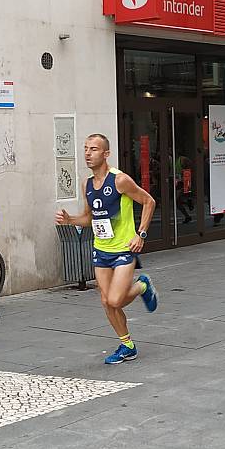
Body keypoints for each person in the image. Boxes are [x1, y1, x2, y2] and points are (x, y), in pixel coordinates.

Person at [55, 133, 158, 364]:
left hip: (123, 248)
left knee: (115, 300)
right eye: (85, 149)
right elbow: (90, 218)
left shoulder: (120, 180)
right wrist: (70, 220)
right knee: (106, 301)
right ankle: (127, 345)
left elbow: (149, 201)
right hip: (101, 249)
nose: (88, 154)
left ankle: (142, 285)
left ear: (106, 153)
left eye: (93, 149)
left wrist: (140, 234)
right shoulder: (87, 184)